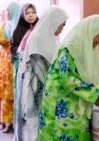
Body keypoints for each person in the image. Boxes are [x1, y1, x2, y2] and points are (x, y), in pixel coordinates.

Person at [37, 14, 99, 141]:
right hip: (59, 103)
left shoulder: (82, 49)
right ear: (91, 31)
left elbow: (83, 77)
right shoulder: (69, 48)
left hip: (72, 102)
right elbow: (68, 79)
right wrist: (95, 91)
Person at [18, 5, 68, 140]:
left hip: (46, 90)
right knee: (33, 128)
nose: (62, 28)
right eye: (61, 25)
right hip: (34, 90)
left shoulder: (50, 38)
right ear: (53, 21)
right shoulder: (37, 38)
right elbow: (42, 70)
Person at [10, 3, 39, 140]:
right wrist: (23, 55)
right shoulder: (18, 31)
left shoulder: (41, 28)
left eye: (33, 12)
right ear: (23, 15)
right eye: (27, 13)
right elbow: (14, 51)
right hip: (23, 74)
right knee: (24, 105)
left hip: (38, 74)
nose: (31, 15)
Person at [0, 1, 21, 133]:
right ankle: (4, 120)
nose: (6, 13)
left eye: (8, 11)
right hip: (3, 62)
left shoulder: (20, 26)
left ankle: (12, 121)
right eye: (5, 11)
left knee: (12, 93)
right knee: (4, 93)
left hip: (13, 61)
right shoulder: (5, 25)